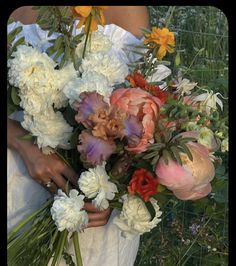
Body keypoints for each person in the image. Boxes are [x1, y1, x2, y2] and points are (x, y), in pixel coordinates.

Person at [7, 6, 150, 266]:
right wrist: (20, 141)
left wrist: (113, 189)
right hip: (16, 182)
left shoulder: (129, 10)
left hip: (95, 212)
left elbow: (144, 112)